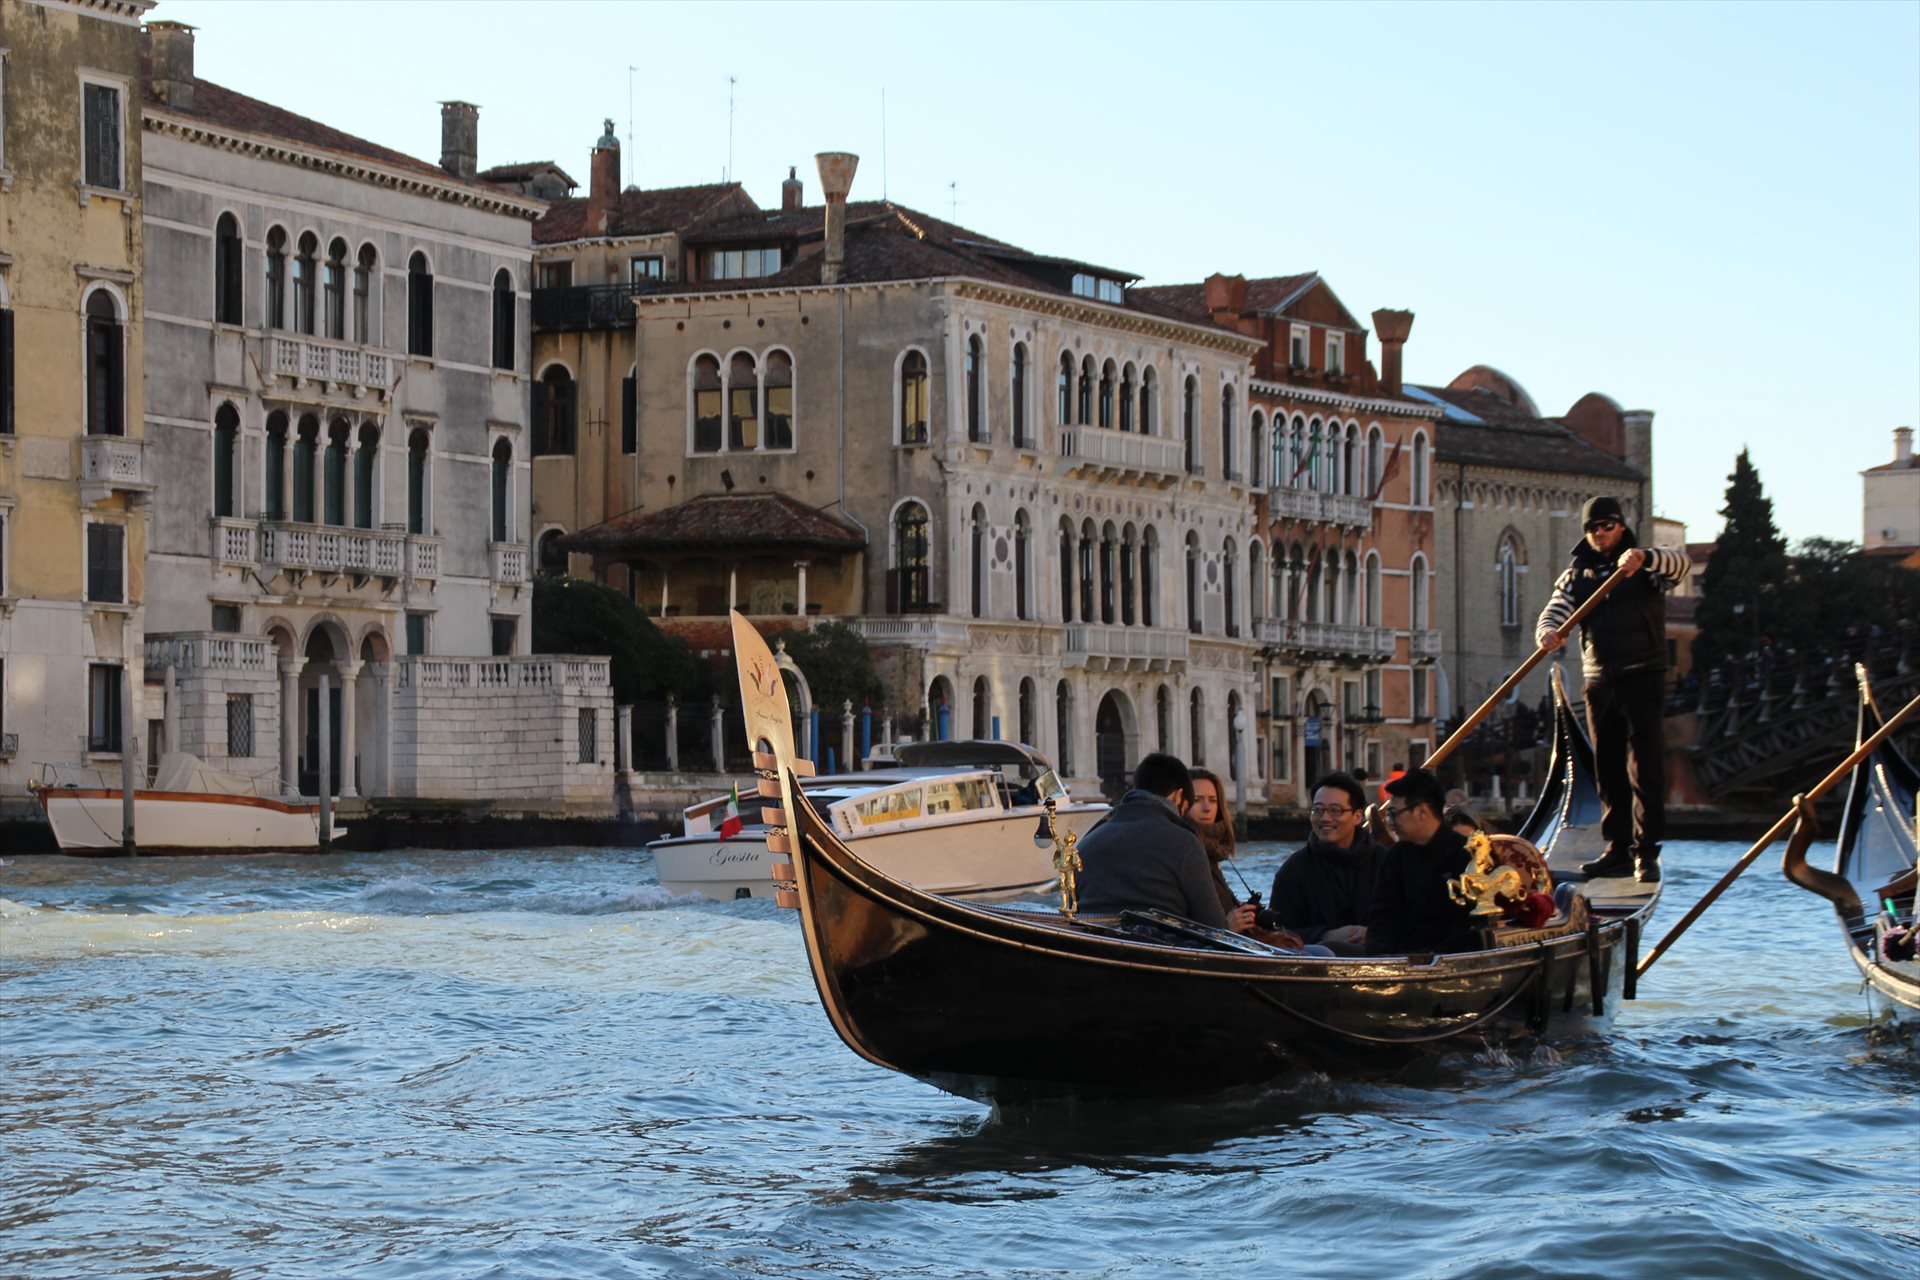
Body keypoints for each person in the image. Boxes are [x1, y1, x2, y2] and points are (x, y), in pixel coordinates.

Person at [1536, 495, 1691, 883]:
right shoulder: (1576, 575)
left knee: (1644, 765)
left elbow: (1681, 565)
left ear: (1621, 526)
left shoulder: (1648, 566)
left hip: (1644, 674)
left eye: (1607, 526)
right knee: (1607, 767)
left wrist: (1644, 557)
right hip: (1600, 679)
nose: (1600, 533)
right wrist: (1548, 632)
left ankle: (1646, 851)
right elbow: (1554, 611)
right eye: (1593, 528)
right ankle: (1618, 849)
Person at [1074, 752, 1227, 928]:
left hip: (1095, 940)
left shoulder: (1085, 845)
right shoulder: (1185, 844)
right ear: (1178, 796)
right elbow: (1215, 927)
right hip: (1162, 943)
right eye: (1185, 808)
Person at [1268, 771, 1383, 956]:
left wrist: (1372, 933)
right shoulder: (1293, 870)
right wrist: (1326, 935)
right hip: (1317, 963)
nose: (1325, 818)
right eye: (1318, 810)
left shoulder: (1386, 863)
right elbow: (1279, 934)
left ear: (1357, 816)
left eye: (1335, 810)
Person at [1367, 769, 1480, 956]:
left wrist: (1430, 958)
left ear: (1422, 811)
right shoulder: (1396, 856)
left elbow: (1471, 925)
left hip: (1451, 959)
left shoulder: (1467, 855)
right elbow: (1381, 915)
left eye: (1394, 814)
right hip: (1398, 958)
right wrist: (1379, 957)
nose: (1390, 822)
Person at [1186, 767, 1259, 933]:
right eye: (1197, 800)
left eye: (1213, 800)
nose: (1207, 808)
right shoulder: (1187, 851)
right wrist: (1227, 926)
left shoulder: (1213, 852)